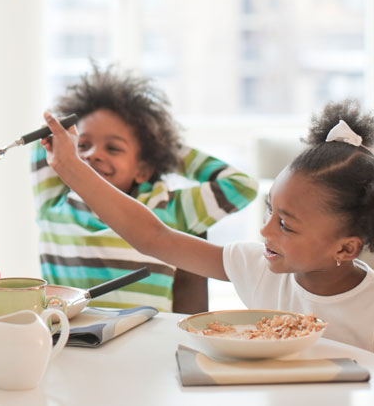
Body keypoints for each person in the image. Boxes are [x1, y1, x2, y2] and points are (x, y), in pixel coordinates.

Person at [41, 99, 374, 369]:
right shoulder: (259, 267)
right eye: (270, 211)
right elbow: (155, 238)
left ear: (347, 247)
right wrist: (72, 168)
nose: (265, 231)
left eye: (285, 224)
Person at [32, 64, 258, 312]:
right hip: (71, 341)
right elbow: (44, 144)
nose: (94, 155)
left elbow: (241, 185)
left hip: (145, 343)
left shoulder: (169, 207)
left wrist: (164, 148)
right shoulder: (53, 202)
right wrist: (70, 154)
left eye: (113, 148)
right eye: (83, 145)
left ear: (143, 168)